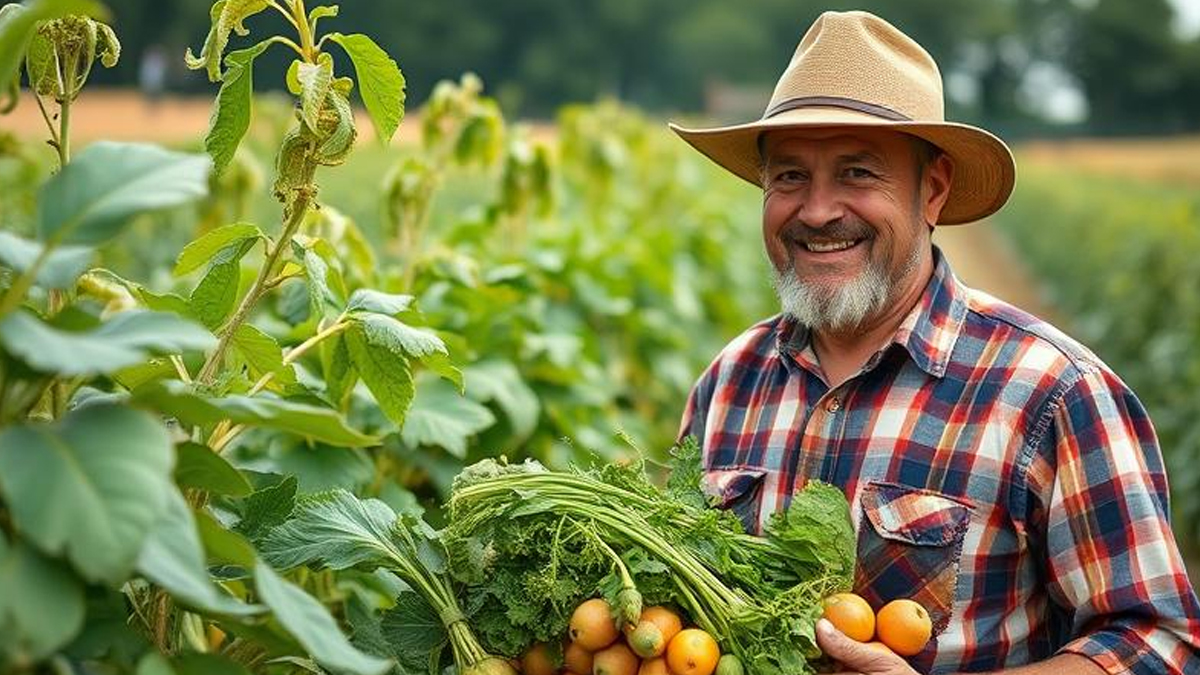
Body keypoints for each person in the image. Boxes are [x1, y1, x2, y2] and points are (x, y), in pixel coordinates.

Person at [671, 10, 1200, 675]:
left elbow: (1159, 644)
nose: (816, 211)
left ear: (935, 189)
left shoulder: (1050, 391)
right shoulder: (728, 383)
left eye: (858, 174)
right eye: (789, 177)